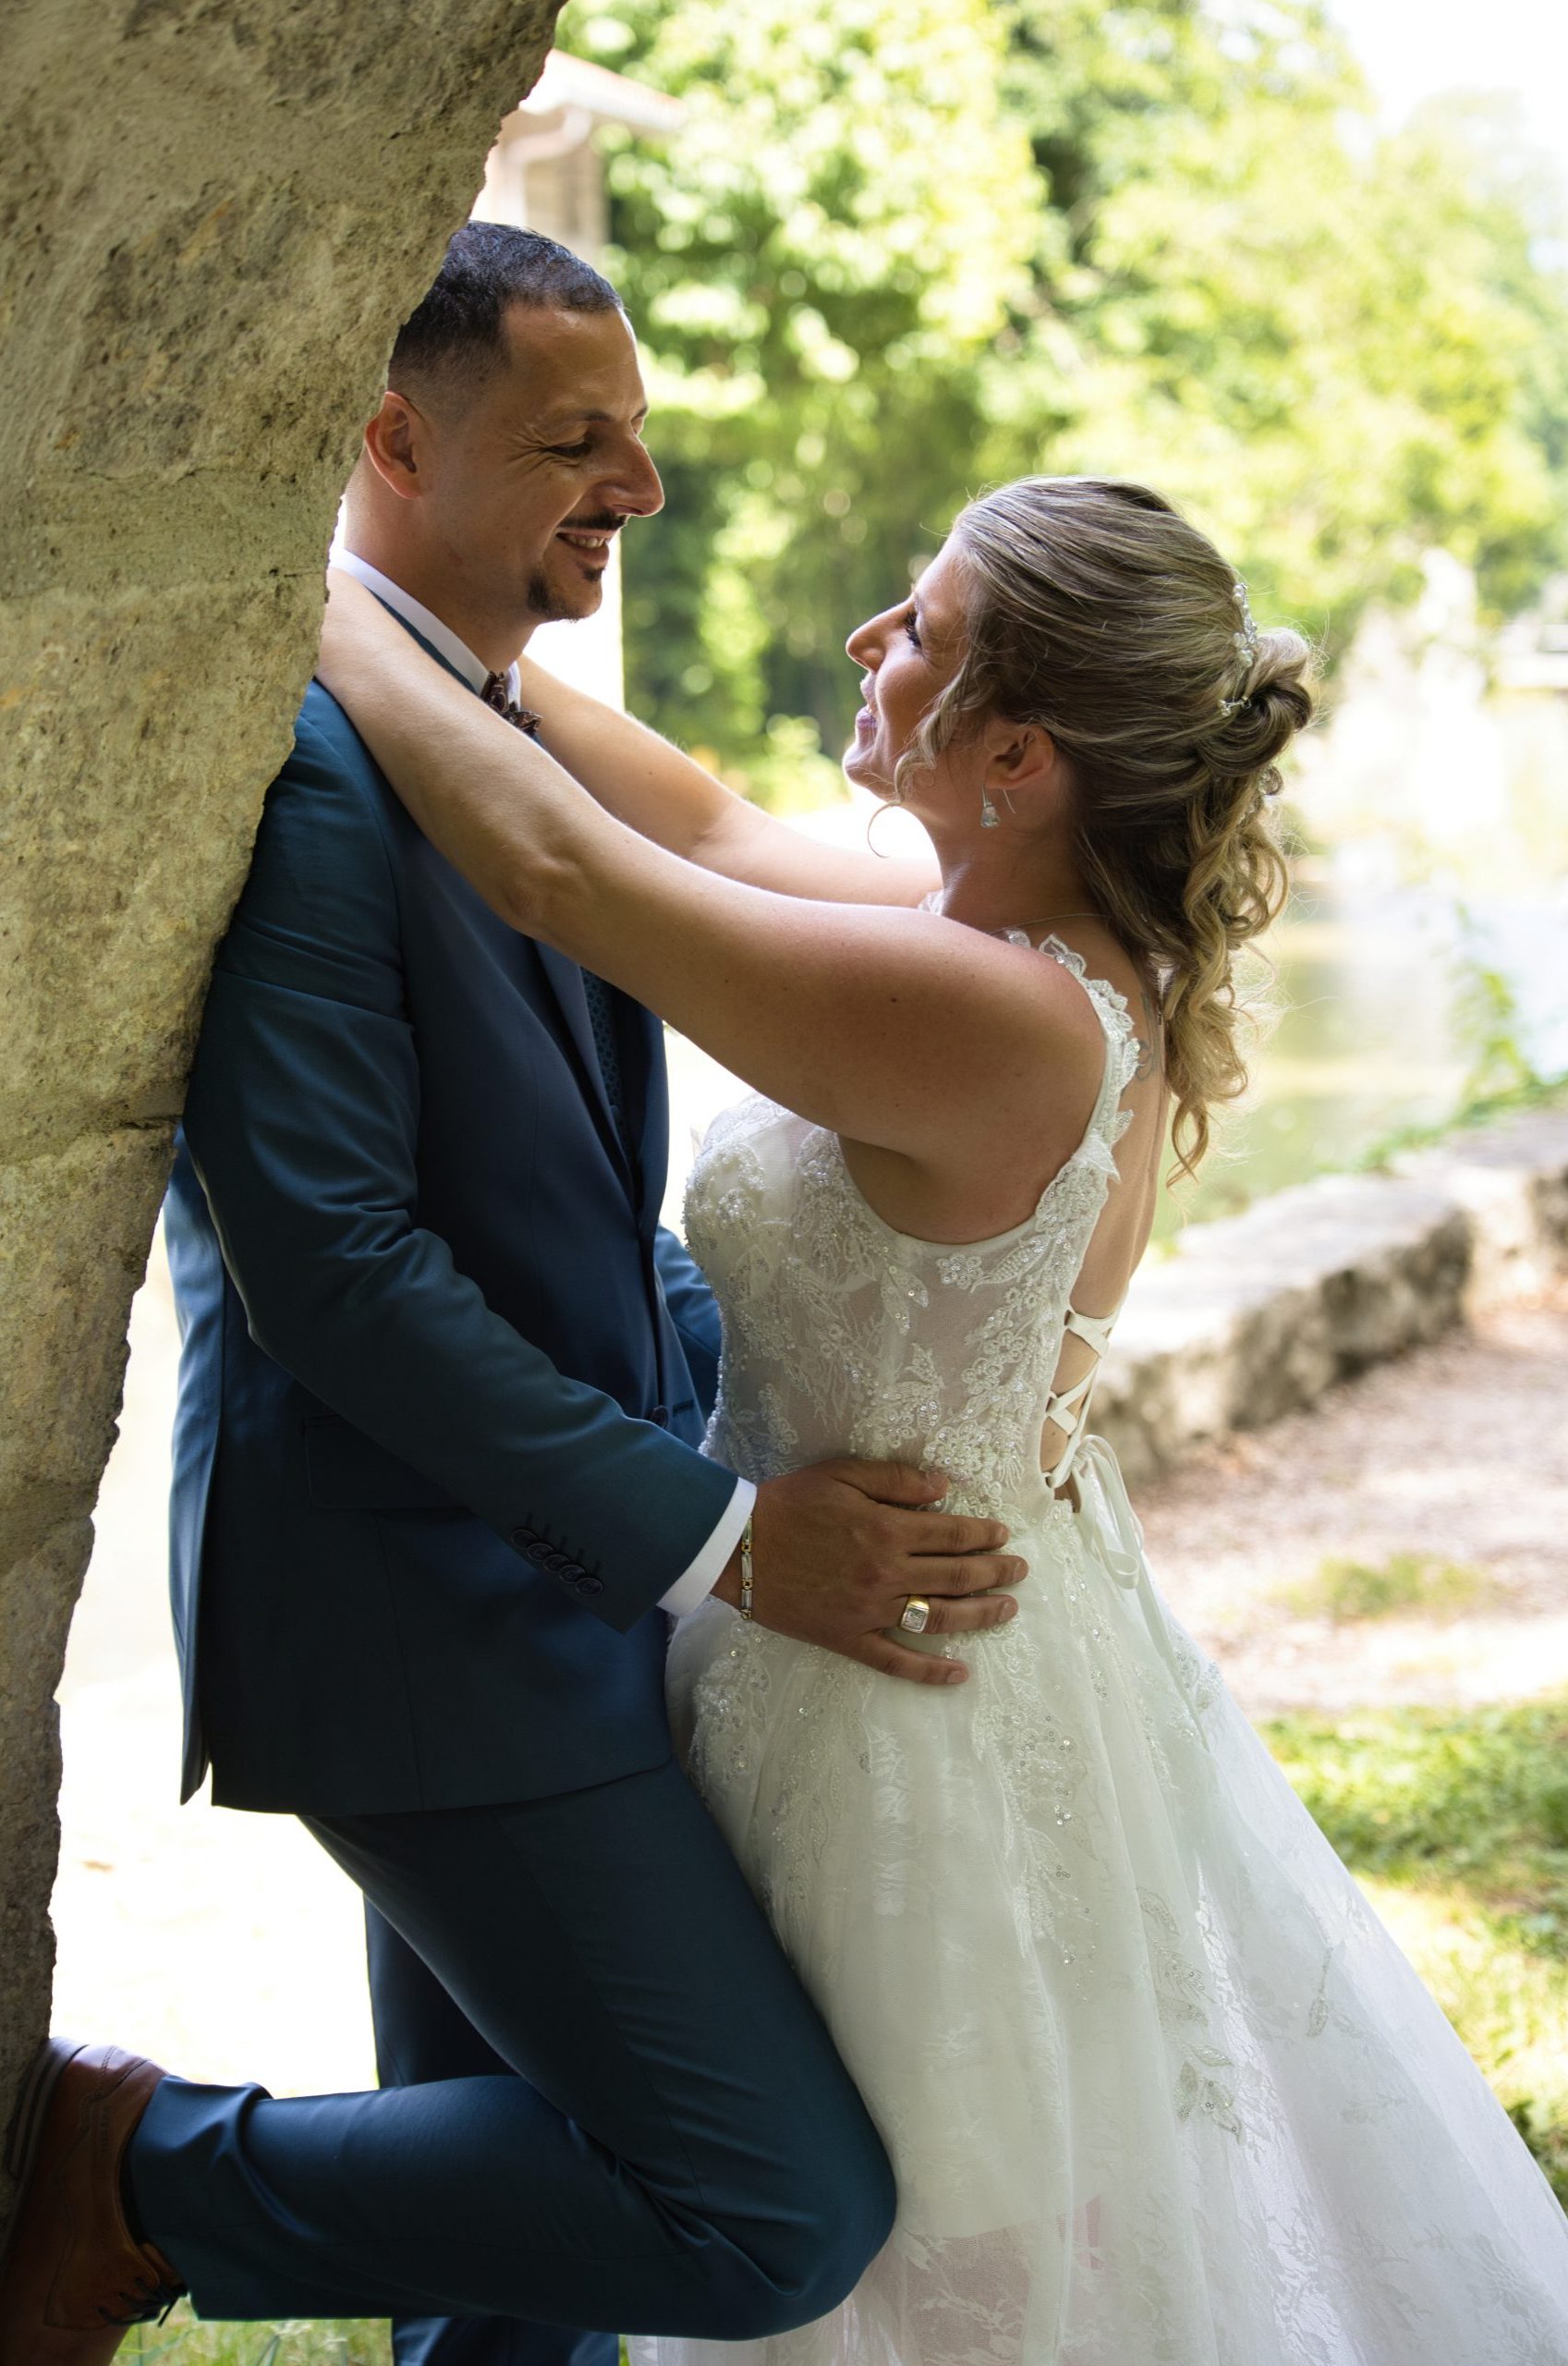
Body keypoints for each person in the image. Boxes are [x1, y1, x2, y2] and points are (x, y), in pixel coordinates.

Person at [306, 473, 1568, 2362]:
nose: (864, 643)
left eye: (923, 627)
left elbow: (564, 879)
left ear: (1021, 753)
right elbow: (710, 818)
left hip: (890, 1710)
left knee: (919, 2262)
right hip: (908, 1627)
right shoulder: (1000, 938)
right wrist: (441, 622)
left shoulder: (1002, 1022)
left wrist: (301, 600)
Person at [0, 228, 1029, 2366]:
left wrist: (719, 1431)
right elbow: (336, 1275)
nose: (635, 486)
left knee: (527, 2255)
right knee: (768, 2203)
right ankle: (139, 2170)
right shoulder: (306, 759)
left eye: (638, 437)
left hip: (566, 1578)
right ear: (388, 439)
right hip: (413, 1604)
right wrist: (729, 1539)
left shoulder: (505, 732)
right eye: (577, 439)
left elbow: (581, 1189)